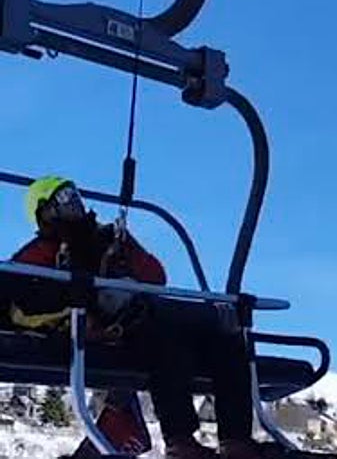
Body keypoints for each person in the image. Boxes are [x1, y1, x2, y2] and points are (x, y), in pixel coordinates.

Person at [10, 175, 263, 459]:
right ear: (44, 211)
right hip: (105, 326)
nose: (74, 205)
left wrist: (126, 255)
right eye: (63, 200)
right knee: (166, 336)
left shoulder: (108, 236)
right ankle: (180, 440)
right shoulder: (39, 255)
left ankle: (236, 440)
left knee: (224, 334)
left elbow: (156, 277)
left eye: (74, 197)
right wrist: (78, 310)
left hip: (139, 309)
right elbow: (18, 307)